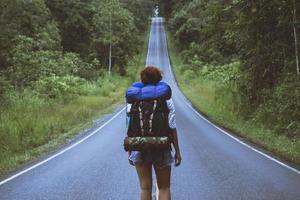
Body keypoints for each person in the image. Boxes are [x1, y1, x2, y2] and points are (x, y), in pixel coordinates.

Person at [126, 66, 182, 200]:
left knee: (145, 187)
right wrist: (177, 151)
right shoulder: (165, 98)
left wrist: (130, 151)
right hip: (161, 147)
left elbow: (129, 126)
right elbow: (172, 126)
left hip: (139, 147)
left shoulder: (133, 99)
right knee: (164, 187)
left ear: (142, 79)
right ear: (159, 79)